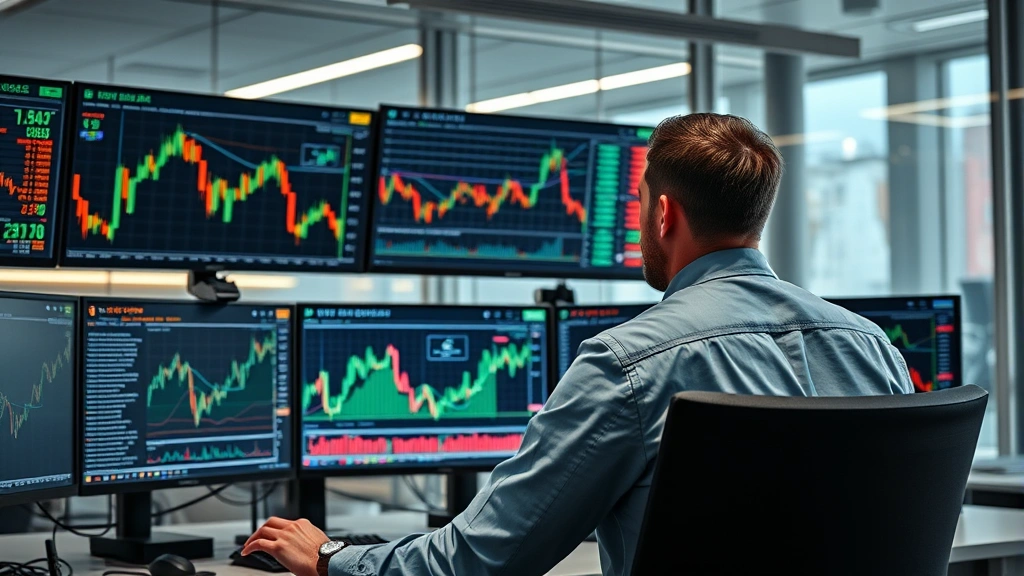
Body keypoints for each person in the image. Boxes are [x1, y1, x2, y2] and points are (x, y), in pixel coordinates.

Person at [242, 113, 914, 576]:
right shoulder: (871, 347)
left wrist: (333, 557)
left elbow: (479, 563)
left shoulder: (630, 364)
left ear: (661, 213)